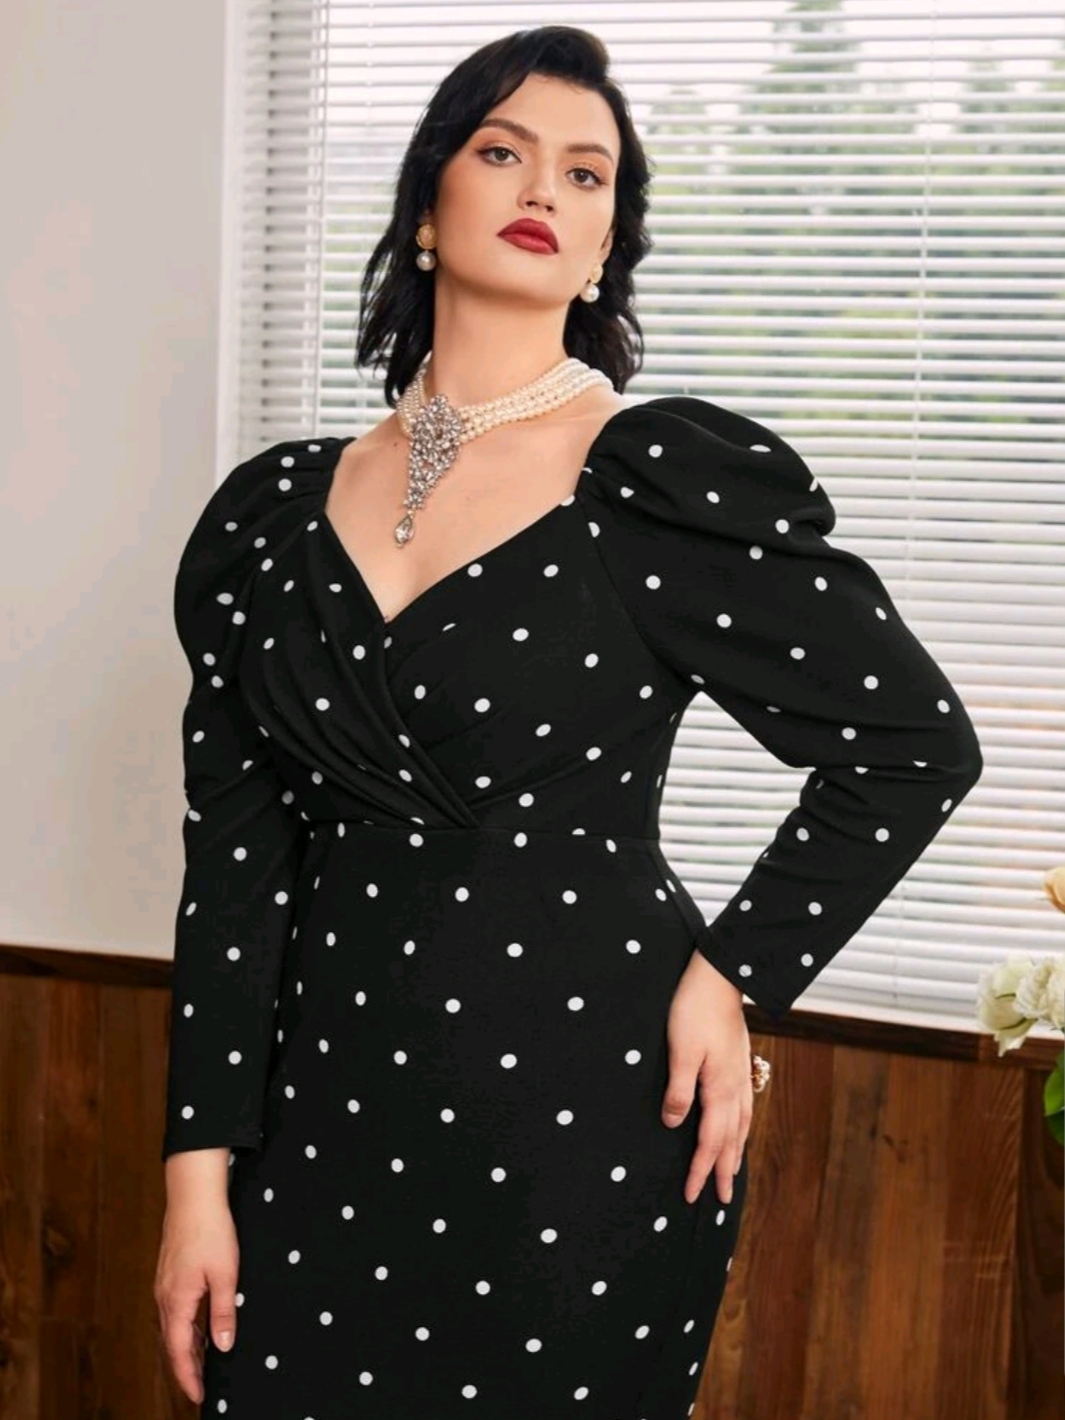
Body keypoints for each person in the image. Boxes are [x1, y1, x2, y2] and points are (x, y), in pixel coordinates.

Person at [154, 24, 983, 1419]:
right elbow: (236, 873)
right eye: (504, 151)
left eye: (587, 174)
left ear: (605, 245)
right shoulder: (269, 519)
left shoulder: (651, 485)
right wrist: (195, 1181)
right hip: (318, 1118)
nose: (545, 187)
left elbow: (912, 745)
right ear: (428, 204)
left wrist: (732, 974)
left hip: (585, 1112)